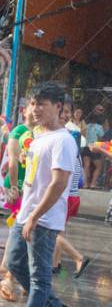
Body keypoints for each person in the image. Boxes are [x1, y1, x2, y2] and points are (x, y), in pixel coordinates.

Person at [1, 82, 77, 307]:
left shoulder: (64, 141)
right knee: (13, 261)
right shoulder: (40, 136)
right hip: (26, 213)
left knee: (39, 277)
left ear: (58, 107)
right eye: (33, 103)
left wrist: (34, 216)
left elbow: (58, 184)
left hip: (43, 220)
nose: (35, 109)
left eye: (42, 104)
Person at [0, 102, 36, 301]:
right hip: (18, 187)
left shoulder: (38, 132)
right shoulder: (20, 130)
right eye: (32, 105)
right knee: (22, 230)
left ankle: (8, 271)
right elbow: (12, 161)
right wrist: (13, 187)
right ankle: (9, 275)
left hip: (28, 187)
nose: (35, 110)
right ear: (24, 110)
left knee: (20, 228)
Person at [53, 98, 90, 278]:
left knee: (48, 230)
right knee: (58, 229)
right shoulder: (69, 136)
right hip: (70, 194)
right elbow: (79, 169)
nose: (65, 115)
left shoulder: (65, 136)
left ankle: (79, 257)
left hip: (65, 194)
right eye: (63, 111)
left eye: (67, 111)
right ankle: (55, 263)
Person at [82, 110, 105, 188]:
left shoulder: (86, 126)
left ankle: (85, 184)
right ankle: (93, 183)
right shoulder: (99, 127)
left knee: (86, 166)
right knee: (99, 166)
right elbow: (101, 138)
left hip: (85, 147)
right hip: (94, 147)